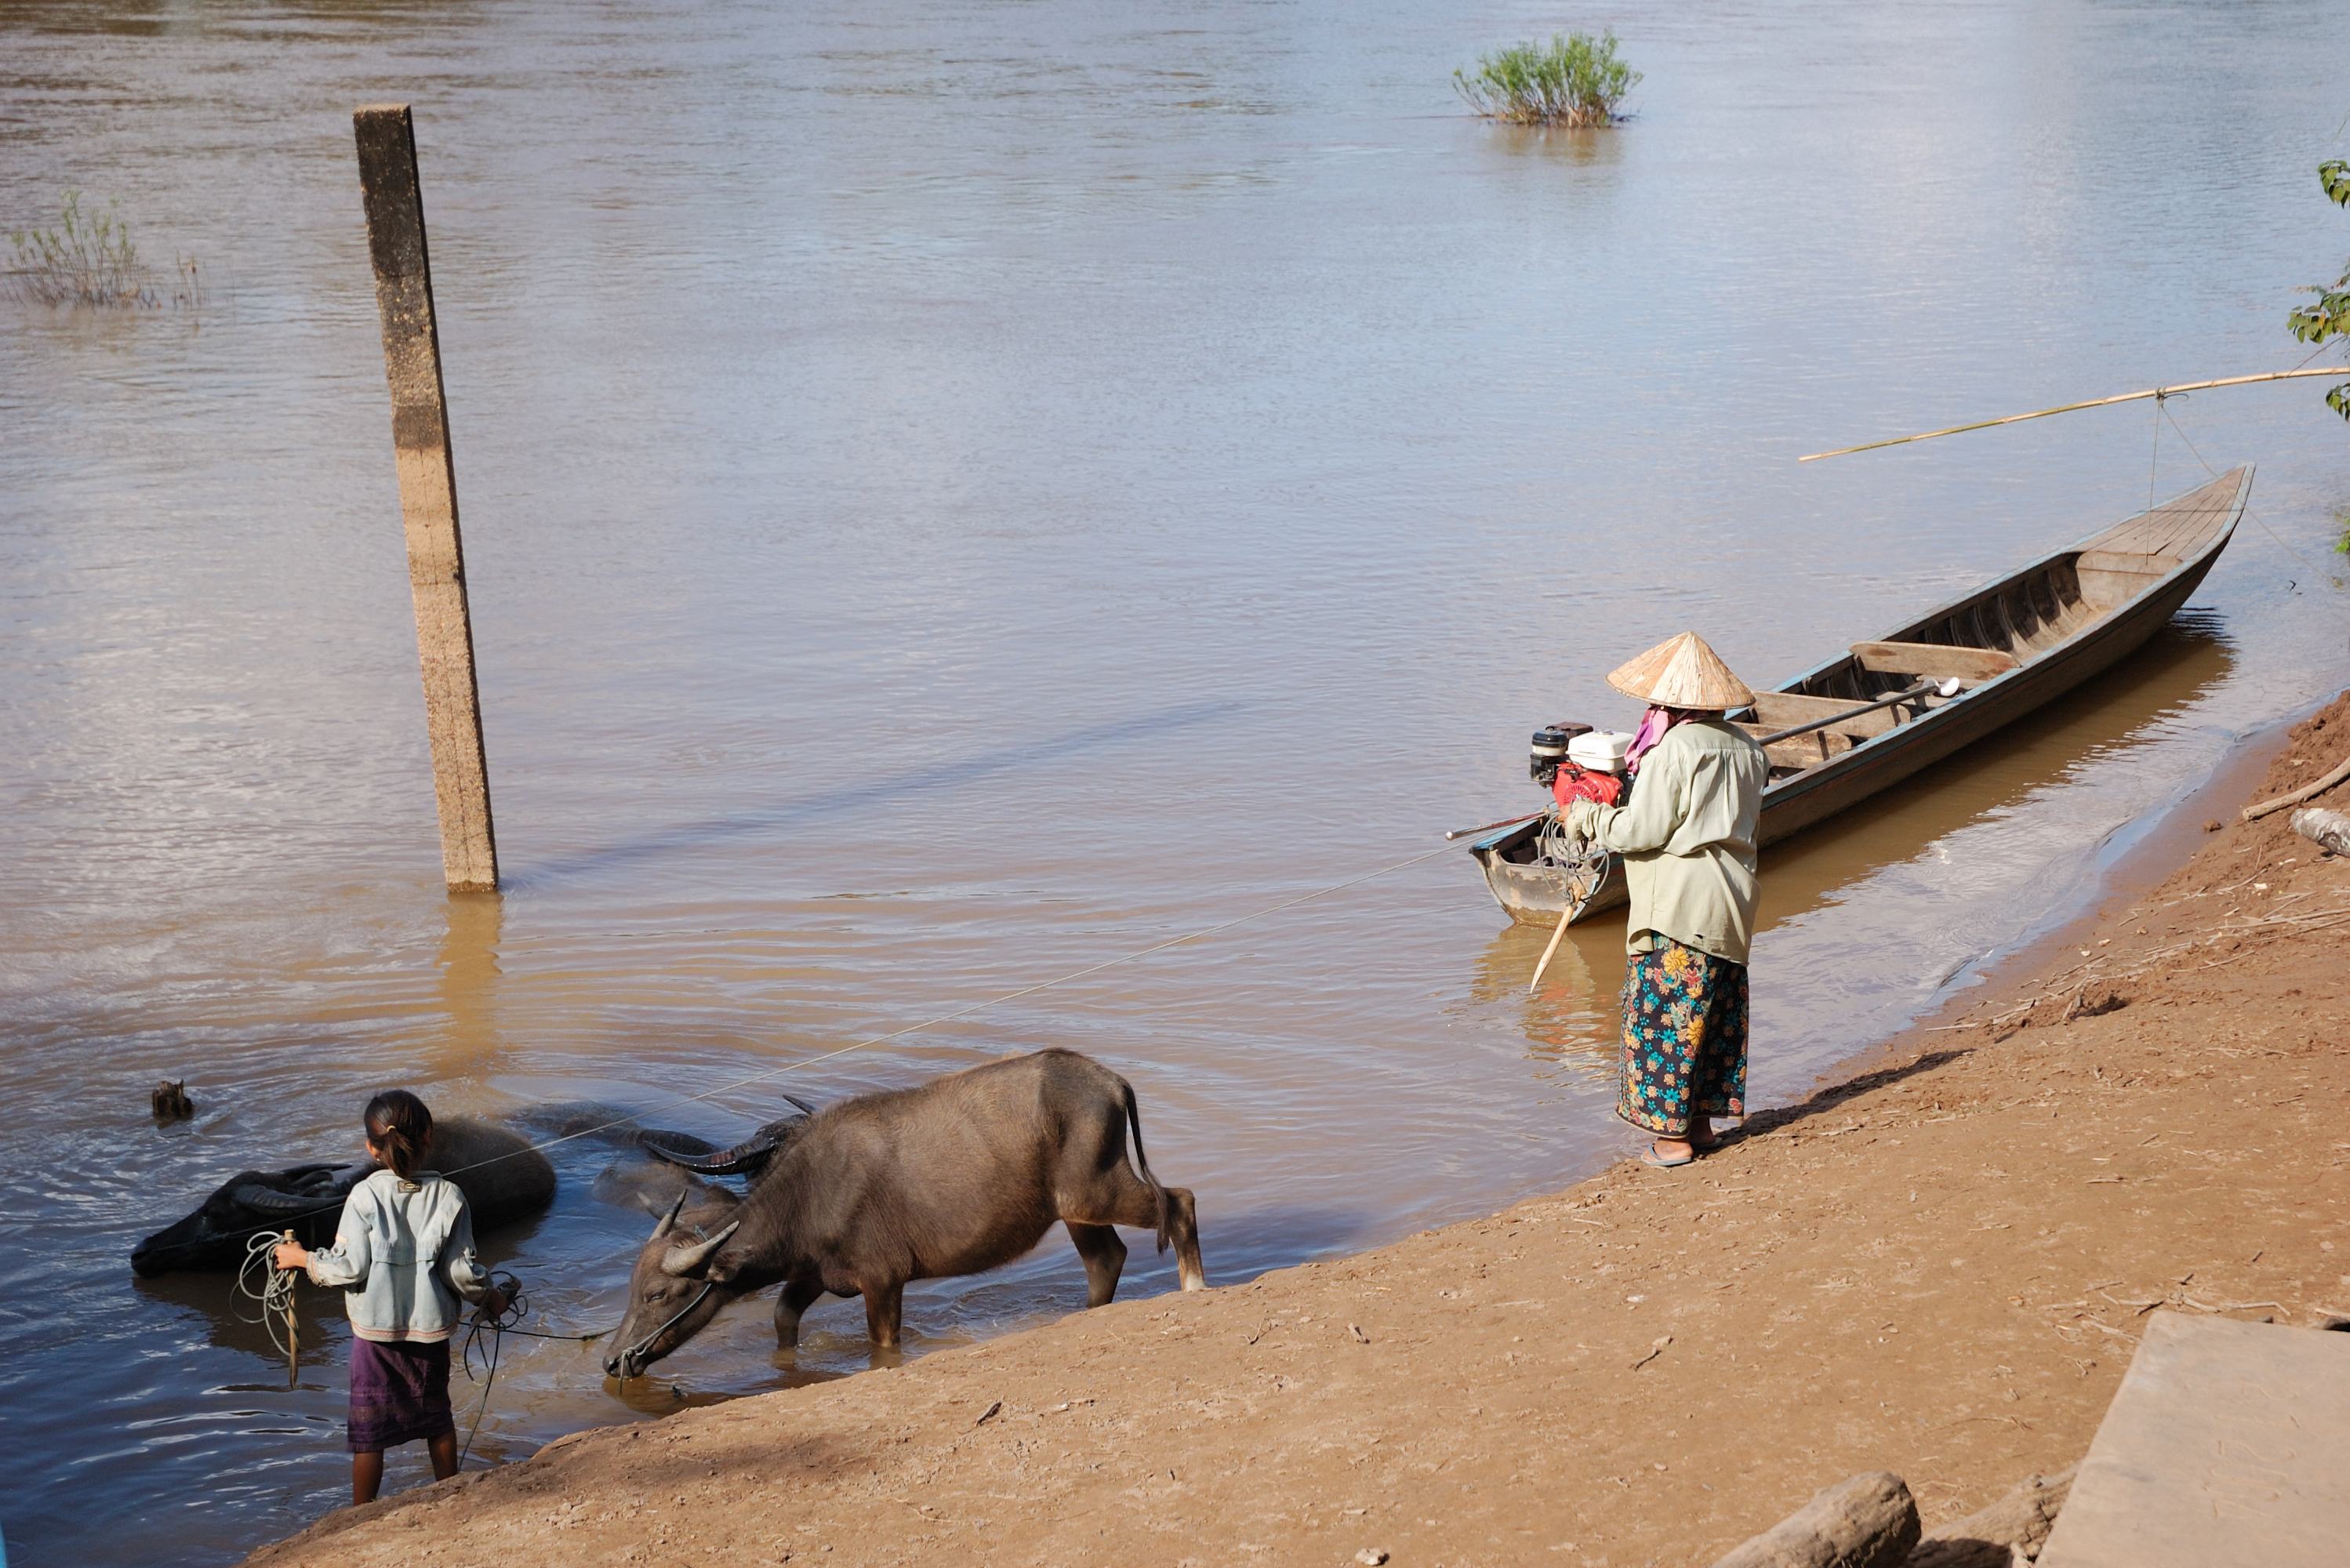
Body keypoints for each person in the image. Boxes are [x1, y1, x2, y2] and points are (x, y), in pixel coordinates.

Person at [1561, 632, 1768, 1169]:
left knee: (1661, 1020)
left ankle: (1673, 1142)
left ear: (1669, 704)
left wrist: (1584, 815)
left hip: (1678, 904)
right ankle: (1699, 1128)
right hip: (1730, 899)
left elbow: (1641, 832)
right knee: (1711, 1016)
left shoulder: (1675, 747)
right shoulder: (1747, 748)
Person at [274, 1090, 510, 1504]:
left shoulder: (364, 1196)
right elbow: (461, 1273)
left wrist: (301, 1259)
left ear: (370, 1146)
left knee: (368, 1432)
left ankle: (360, 1513)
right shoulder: (450, 1197)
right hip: (429, 1335)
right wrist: (488, 1297)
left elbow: (348, 1268)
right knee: (437, 1416)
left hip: (374, 1337)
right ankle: (450, 1493)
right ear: (429, 1139)